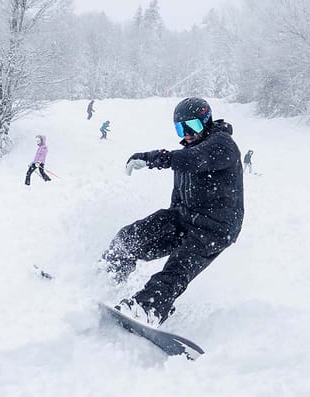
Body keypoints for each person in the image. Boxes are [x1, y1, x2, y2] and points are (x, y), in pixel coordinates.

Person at [101, 97, 244, 327]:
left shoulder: (222, 145)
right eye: (180, 127)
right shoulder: (187, 152)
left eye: (193, 126)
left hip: (215, 228)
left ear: (206, 122)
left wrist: (153, 158)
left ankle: (148, 308)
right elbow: (180, 191)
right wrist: (162, 227)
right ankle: (104, 277)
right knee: (132, 236)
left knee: (177, 267)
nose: (186, 133)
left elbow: (195, 160)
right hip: (184, 217)